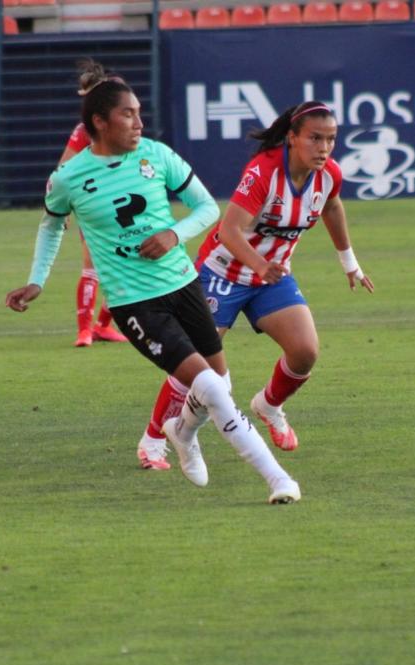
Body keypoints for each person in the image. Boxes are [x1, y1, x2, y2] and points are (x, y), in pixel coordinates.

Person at [5, 60, 301, 504]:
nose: (139, 122)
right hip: (134, 303)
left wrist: (173, 234)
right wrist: (36, 281)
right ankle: (278, 479)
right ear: (99, 122)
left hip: (183, 285)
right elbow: (51, 225)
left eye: (140, 112)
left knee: (221, 382)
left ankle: (181, 432)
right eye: (128, 114)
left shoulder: (157, 155)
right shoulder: (69, 178)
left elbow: (206, 210)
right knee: (212, 388)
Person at [135, 100, 374, 466]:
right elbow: (229, 231)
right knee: (197, 365)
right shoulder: (263, 172)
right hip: (222, 273)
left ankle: (269, 405)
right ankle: (153, 439)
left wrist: (349, 262)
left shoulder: (329, 175)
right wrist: (261, 265)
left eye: (331, 139)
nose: (324, 148)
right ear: (292, 138)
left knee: (305, 351)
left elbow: (331, 207)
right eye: (315, 138)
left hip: (270, 278)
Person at [63, 114, 128, 348]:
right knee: (92, 265)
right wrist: (63, 208)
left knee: (124, 268)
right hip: (95, 205)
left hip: (124, 207)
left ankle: (102, 326)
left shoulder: (131, 128)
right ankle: (84, 331)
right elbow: (64, 167)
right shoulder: (86, 130)